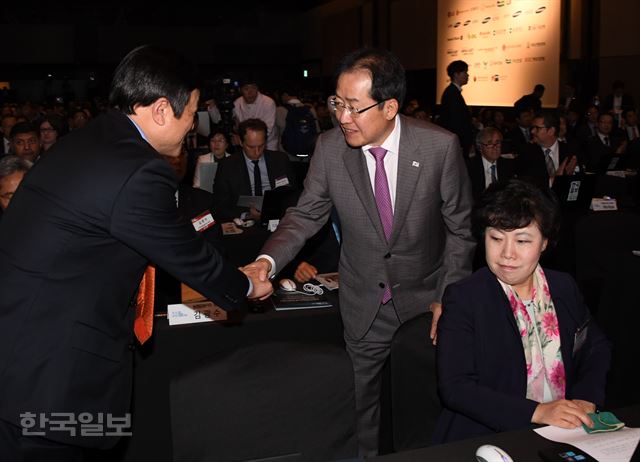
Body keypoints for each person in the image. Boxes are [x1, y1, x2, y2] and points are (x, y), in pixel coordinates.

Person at [0, 45, 272, 461]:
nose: (192, 129)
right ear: (162, 110)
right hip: (53, 385)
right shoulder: (139, 171)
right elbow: (184, 253)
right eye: (191, 113)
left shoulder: (90, 140)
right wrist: (245, 285)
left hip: (24, 364)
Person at [243, 48, 475, 456]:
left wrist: (448, 296)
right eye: (338, 103)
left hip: (426, 305)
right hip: (363, 302)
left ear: (389, 106)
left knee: (424, 407)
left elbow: (460, 230)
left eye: (353, 106)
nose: (342, 116)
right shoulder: (330, 148)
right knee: (361, 410)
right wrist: (267, 261)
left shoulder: (439, 147)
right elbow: (304, 215)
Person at [433, 179, 611, 443]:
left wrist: (586, 398)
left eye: (523, 241)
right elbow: (456, 388)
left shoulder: (563, 287)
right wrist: (537, 412)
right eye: (496, 238)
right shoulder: (465, 297)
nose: (507, 254)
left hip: (562, 429)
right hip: (490, 435)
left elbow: (596, 347)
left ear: (544, 243)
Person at [211, 118, 295, 221]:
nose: (257, 152)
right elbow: (220, 205)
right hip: (245, 222)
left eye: (261, 146)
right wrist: (247, 215)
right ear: (241, 142)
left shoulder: (280, 160)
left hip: (277, 219)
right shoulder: (227, 166)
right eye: (251, 147)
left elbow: (291, 196)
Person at [467, 127, 516, 200]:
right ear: (480, 147)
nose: (495, 147)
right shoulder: (469, 167)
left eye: (497, 142)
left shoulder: (508, 165)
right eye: (489, 143)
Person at [438, 60, 474, 157]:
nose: (467, 75)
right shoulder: (452, 94)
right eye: (465, 72)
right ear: (456, 74)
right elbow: (456, 122)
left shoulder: (453, 92)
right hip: (458, 144)